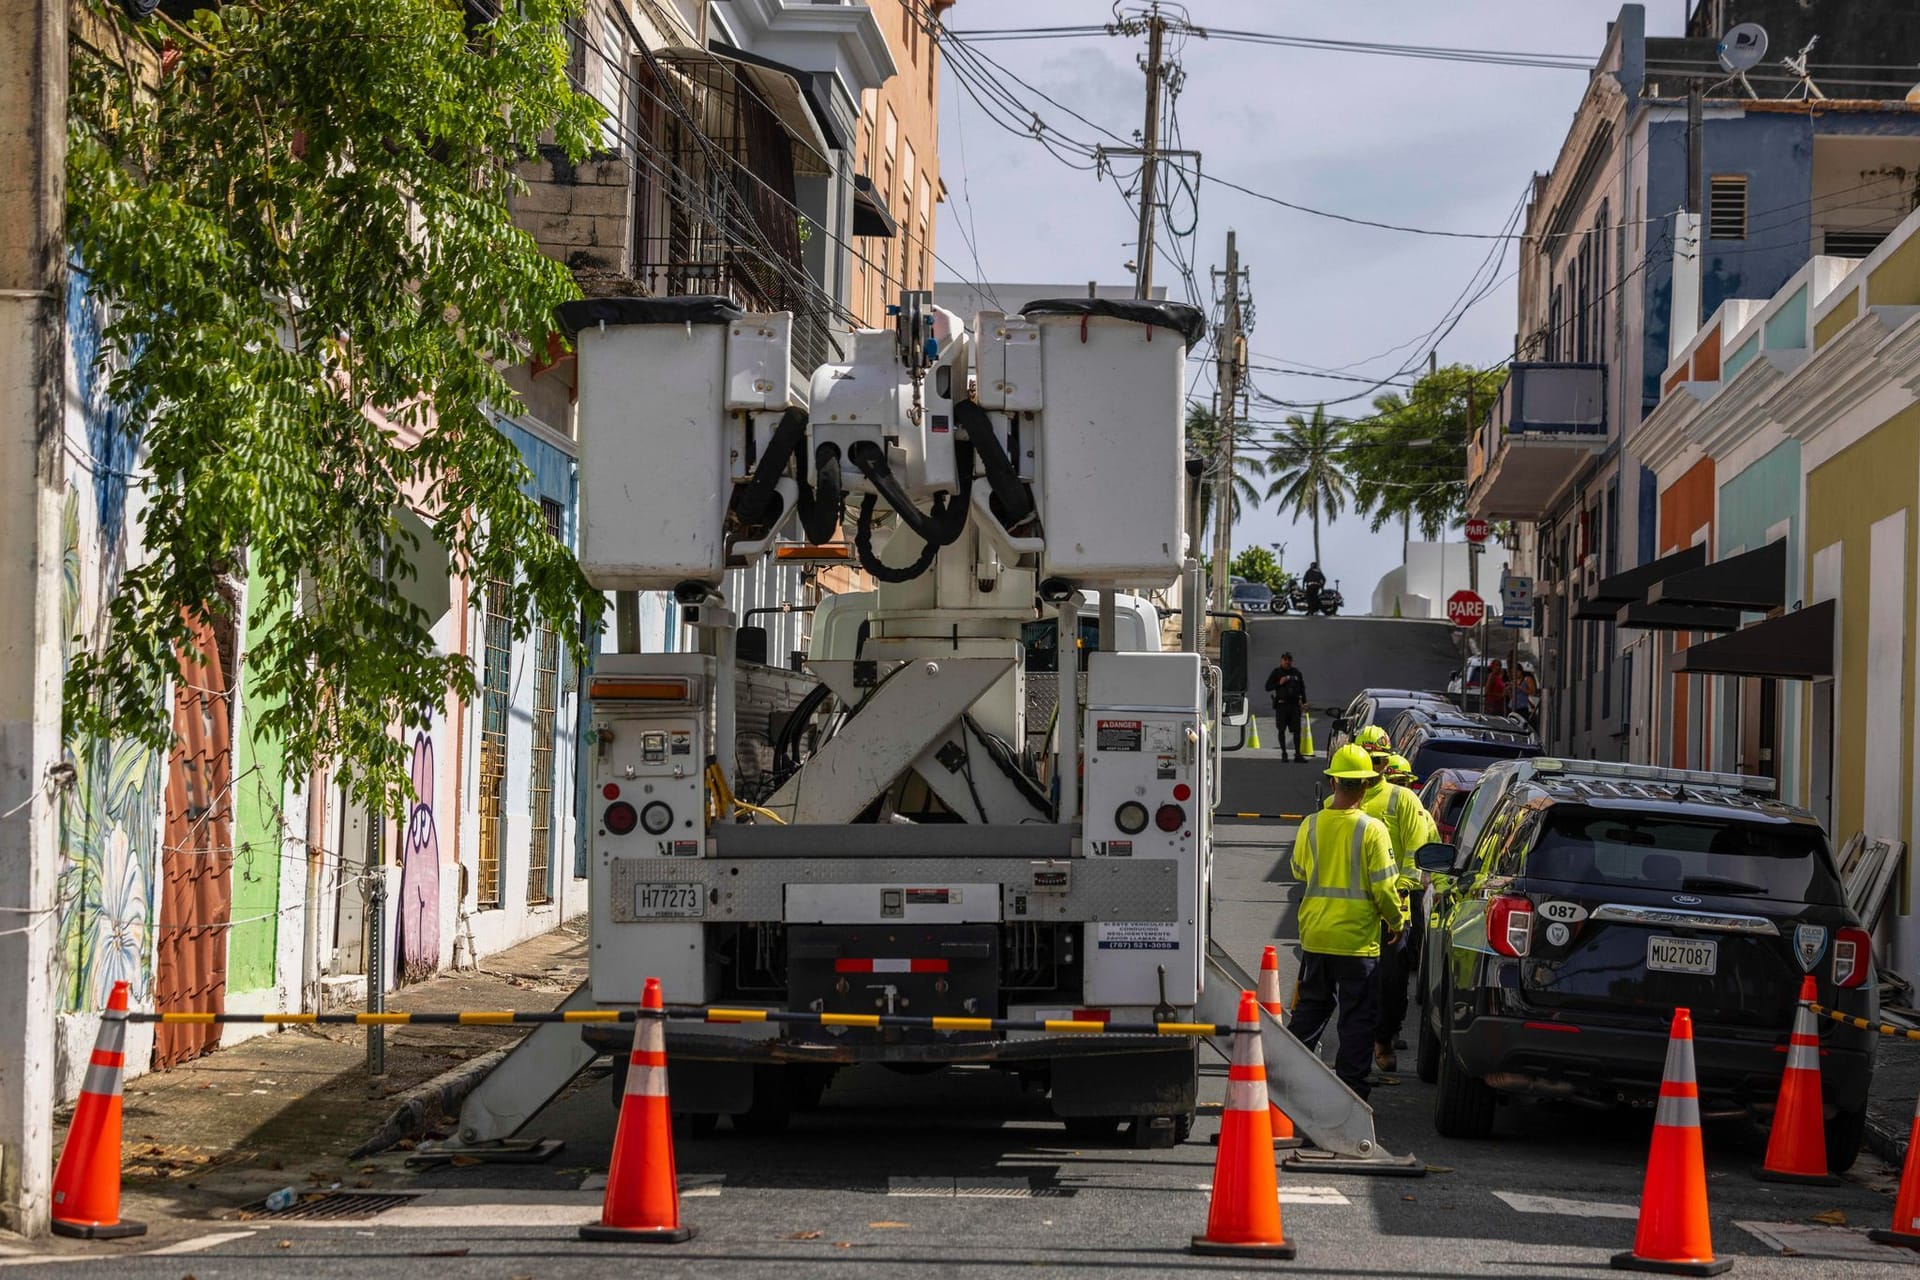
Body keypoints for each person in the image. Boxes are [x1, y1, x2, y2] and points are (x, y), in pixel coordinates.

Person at [1289, 744, 1409, 1100]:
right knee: (1357, 1019)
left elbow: (1298, 870)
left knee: (1311, 1010)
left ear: (1332, 783)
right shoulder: (1372, 830)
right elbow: (1384, 888)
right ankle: (1350, 1092)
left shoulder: (1311, 825)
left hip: (1315, 936)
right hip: (1357, 942)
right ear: (1368, 786)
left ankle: (1285, 1081)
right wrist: (1395, 920)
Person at [1263, 652, 1308, 762]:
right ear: (1281, 661)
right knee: (1281, 730)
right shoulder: (1277, 672)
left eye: (1289, 660)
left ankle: (1298, 754)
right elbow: (1268, 687)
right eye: (1285, 660)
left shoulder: (1296, 673)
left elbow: (1302, 688)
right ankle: (1284, 753)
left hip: (1294, 706)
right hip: (1282, 706)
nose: (1287, 662)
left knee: (1297, 730)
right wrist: (1279, 682)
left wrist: (1304, 702)